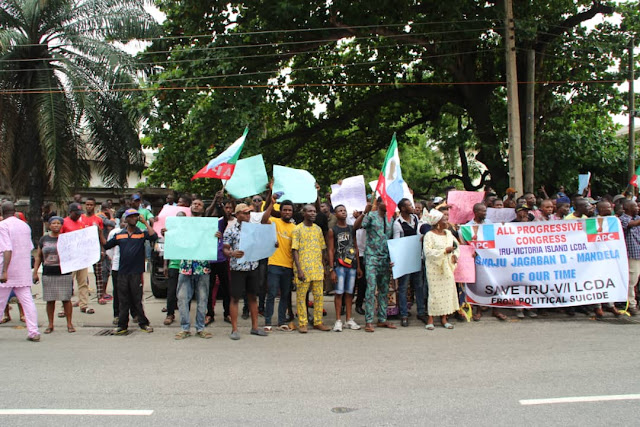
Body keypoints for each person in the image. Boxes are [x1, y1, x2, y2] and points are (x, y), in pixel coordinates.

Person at [103, 209, 156, 334]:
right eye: (131, 217)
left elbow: (153, 236)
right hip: (122, 272)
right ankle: (122, 325)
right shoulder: (119, 235)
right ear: (126, 219)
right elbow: (106, 246)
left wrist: (146, 223)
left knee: (137, 299)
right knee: (123, 299)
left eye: (135, 216)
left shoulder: (141, 234)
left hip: (136, 272)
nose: (133, 218)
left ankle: (143, 323)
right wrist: (100, 233)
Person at [223, 204, 268, 340]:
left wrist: (272, 244)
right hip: (237, 268)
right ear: (237, 215)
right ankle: (235, 329)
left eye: (249, 213)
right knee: (235, 298)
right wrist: (231, 253)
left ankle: (255, 327)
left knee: (253, 297)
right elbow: (224, 249)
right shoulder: (230, 230)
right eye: (245, 213)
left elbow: (263, 243)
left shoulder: (254, 230)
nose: (248, 215)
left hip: (252, 267)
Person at [354, 197, 396, 333]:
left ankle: (382, 319)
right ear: (378, 204)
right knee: (371, 289)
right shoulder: (371, 216)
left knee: (384, 290)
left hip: (385, 258)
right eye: (385, 201)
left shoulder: (391, 218)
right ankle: (369, 321)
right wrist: (364, 213)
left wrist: (393, 257)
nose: (388, 204)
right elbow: (357, 227)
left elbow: (392, 239)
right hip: (371, 257)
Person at [0, 201, 40, 341]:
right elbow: (29, 248)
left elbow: (7, 249)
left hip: (7, 269)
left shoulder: (3, 226)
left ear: (2, 211)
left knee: (1, 302)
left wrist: (4, 271)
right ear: (15, 210)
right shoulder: (25, 226)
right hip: (22, 270)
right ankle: (34, 332)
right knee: (27, 302)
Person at [174, 199, 213, 340]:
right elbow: (175, 239)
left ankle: (200, 328)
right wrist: (168, 232)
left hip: (202, 266)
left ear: (203, 209)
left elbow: (211, 242)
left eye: (199, 204)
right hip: (185, 266)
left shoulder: (208, 225)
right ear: (190, 207)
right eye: (194, 203)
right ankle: (185, 328)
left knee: (203, 299)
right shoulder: (182, 224)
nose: (196, 205)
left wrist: (216, 237)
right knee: (182, 298)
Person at [464, 203, 507, 321]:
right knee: (479, 285)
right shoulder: (468, 227)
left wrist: (502, 227)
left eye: (485, 211)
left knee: (494, 284)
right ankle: (478, 310)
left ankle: (496, 310)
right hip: (478, 262)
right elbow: (466, 245)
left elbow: (497, 238)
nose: (485, 213)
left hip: (491, 261)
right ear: (476, 212)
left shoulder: (489, 223)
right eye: (483, 211)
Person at [32, 216, 75, 334]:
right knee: (50, 300)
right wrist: (35, 272)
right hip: (48, 273)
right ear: (49, 225)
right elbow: (39, 256)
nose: (56, 225)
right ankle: (50, 324)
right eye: (53, 223)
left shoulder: (66, 239)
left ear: (62, 225)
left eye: (58, 223)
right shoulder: (43, 239)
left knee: (66, 299)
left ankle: (69, 323)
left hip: (64, 272)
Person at [292, 204, 331, 333]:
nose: (313, 213)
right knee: (301, 296)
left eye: (314, 211)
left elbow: (323, 248)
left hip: (317, 268)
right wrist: (299, 269)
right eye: (310, 211)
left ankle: (318, 322)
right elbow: (295, 250)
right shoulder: (297, 229)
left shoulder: (318, 229)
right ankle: (303, 323)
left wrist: (325, 267)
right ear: (304, 213)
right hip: (303, 268)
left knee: (319, 296)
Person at [262, 194, 296, 332]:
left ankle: (281, 321)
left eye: (289, 210)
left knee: (285, 295)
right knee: (271, 293)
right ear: (280, 211)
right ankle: (268, 322)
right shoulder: (274, 222)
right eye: (285, 210)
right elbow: (264, 220)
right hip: (274, 263)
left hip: (288, 266)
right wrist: (272, 203)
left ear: (292, 212)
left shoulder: (295, 228)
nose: (287, 212)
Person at [423, 209, 459, 330]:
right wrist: (444, 251)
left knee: (447, 293)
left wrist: (455, 255)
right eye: (444, 220)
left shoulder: (449, 234)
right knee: (434, 294)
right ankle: (431, 319)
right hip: (434, 268)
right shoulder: (429, 235)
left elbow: (456, 246)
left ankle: (444, 318)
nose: (447, 222)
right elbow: (428, 252)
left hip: (447, 267)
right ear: (438, 222)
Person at [327, 205, 362, 331]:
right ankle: (338, 320)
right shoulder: (333, 230)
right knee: (339, 293)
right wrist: (331, 269)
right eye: (340, 211)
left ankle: (349, 319)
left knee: (349, 293)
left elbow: (356, 247)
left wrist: (358, 265)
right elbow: (331, 250)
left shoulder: (351, 229)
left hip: (351, 265)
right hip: (339, 265)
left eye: (344, 210)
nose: (343, 212)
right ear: (335, 214)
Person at [392, 198, 426, 326]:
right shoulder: (398, 223)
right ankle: (404, 314)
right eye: (409, 205)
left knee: (419, 285)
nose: (412, 207)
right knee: (403, 287)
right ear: (402, 208)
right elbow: (397, 242)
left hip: (417, 256)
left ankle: (421, 312)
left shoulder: (416, 219)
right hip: (404, 258)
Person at [60, 202, 93, 314]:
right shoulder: (63, 223)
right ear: (70, 212)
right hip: (70, 258)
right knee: (68, 283)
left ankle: (84, 304)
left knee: (83, 282)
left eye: (80, 213)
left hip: (81, 257)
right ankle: (64, 307)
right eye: (76, 213)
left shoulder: (82, 224)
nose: (79, 215)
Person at [205, 191, 231, 325]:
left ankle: (227, 313)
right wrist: (215, 199)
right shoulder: (205, 224)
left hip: (221, 259)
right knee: (208, 289)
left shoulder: (222, 224)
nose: (214, 215)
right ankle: (209, 313)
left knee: (226, 288)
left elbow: (225, 217)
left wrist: (220, 203)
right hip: (209, 260)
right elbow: (208, 213)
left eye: (217, 213)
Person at [83, 198, 108, 304]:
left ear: (95, 206)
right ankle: (83, 297)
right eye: (87, 205)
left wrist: (103, 250)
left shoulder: (98, 220)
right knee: (83, 275)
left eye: (91, 205)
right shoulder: (81, 219)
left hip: (95, 249)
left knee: (98, 273)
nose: (89, 207)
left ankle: (100, 296)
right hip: (83, 249)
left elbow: (101, 235)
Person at [620, 199, 640, 316]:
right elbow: (630, 225)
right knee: (631, 282)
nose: (637, 208)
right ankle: (631, 305)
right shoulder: (623, 219)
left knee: (636, 281)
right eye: (635, 206)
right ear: (627, 208)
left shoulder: (637, 219)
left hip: (638, 254)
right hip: (631, 256)